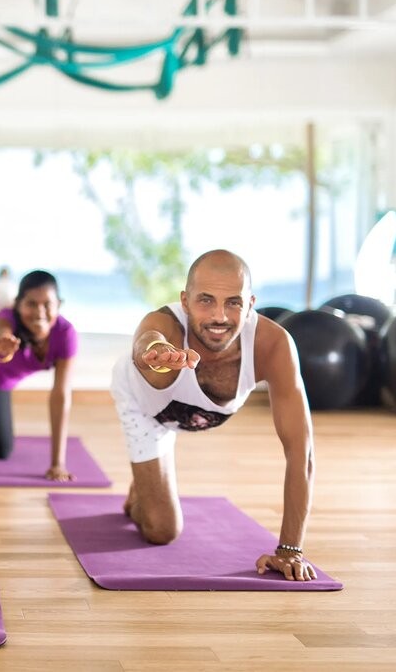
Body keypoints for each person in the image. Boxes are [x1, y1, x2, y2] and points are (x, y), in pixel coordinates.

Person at [111, 249, 317, 581]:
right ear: (185, 301)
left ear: (250, 303)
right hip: (146, 409)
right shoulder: (165, 324)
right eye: (205, 300)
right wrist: (155, 354)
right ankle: (143, 486)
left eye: (233, 302)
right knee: (162, 530)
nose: (219, 316)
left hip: (187, 417)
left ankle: (146, 479)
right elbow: (147, 340)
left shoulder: (273, 345)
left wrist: (290, 549)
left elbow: (301, 452)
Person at [0, 270, 77, 481]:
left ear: (59, 305)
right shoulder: (6, 320)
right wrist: (1, 345)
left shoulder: (65, 334)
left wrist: (57, 464)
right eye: (31, 304)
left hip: (8, 378)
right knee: (0, 451)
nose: (40, 312)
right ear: (18, 304)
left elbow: (61, 395)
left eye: (47, 304)